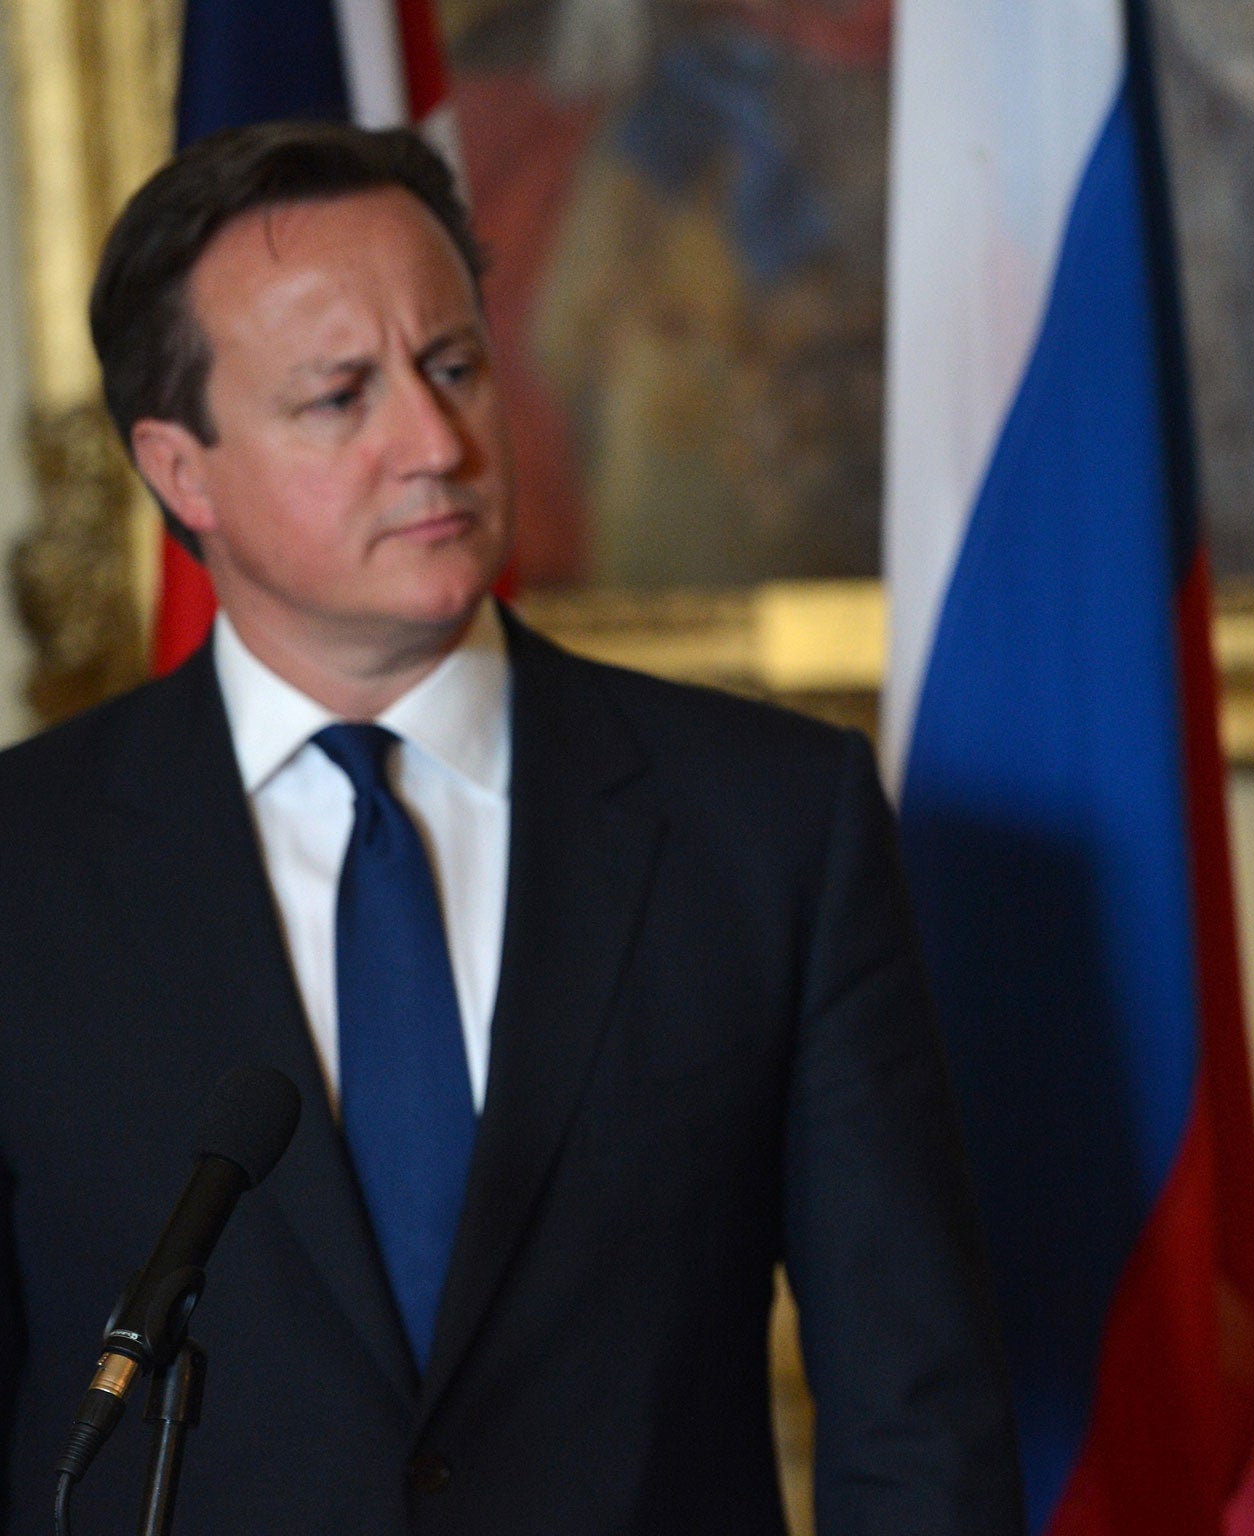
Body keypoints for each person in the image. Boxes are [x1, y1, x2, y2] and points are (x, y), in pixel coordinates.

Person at [0, 121, 1023, 1535]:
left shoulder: (775, 822)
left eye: (454, 366)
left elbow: (919, 1414)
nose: (435, 442)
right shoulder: (25, 866)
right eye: (340, 397)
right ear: (183, 470)